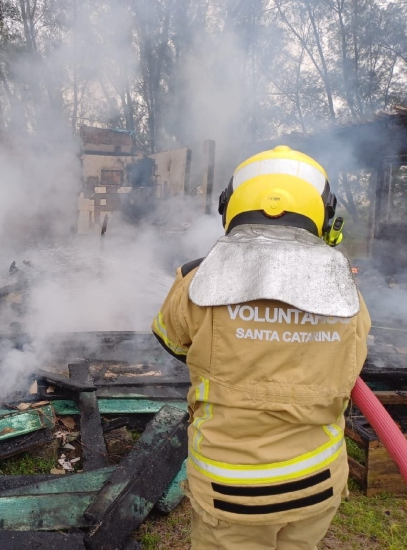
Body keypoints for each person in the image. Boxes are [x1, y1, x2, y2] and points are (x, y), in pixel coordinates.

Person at [152, 145, 371, 549]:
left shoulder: (196, 281)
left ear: (230, 209)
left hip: (229, 490)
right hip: (317, 483)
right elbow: (351, 363)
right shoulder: (345, 293)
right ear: (325, 217)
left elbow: (172, 341)